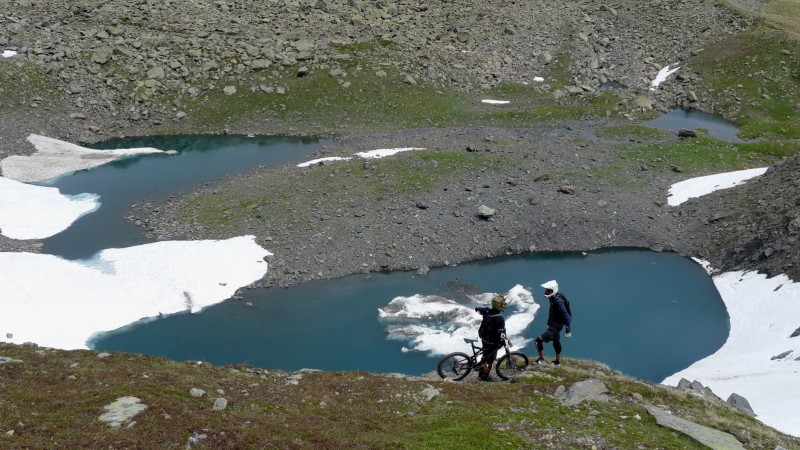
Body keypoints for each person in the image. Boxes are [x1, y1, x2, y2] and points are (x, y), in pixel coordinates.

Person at [534, 280, 572, 365]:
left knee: (537, 341)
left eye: (548, 290)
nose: (546, 292)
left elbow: (566, 315)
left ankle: (541, 359)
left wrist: (568, 330)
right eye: (546, 290)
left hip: (556, 326)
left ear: (553, 290)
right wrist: (548, 323)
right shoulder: (553, 298)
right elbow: (551, 311)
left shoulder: (558, 301)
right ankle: (557, 362)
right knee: (556, 342)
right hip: (554, 324)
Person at [474, 294, 508, 381]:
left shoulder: (487, 311)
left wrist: (478, 309)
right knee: (489, 360)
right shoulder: (500, 319)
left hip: (484, 338)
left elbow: (478, 309)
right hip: (493, 342)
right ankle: (484, 377)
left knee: (485, 354)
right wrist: (503, 339)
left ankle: (481, 370)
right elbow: (501, 333)